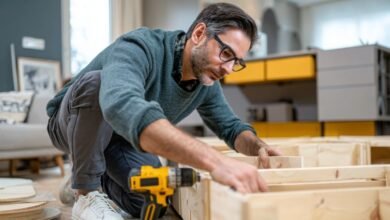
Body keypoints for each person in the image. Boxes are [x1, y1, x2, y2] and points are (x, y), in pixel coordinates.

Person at [47, 2, 282, 220]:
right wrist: (217, 163)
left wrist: (257, 146)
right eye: (226, 54)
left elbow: (231, 127)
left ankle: (85, 175)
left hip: (122, 139)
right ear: (199, 34)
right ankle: (85, 190)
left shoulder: (206, 81)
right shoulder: (140, 45)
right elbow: (121, 106)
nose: (229, 69)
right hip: (71, 123)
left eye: (237, 62)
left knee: (153, 200)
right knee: (97, 82)